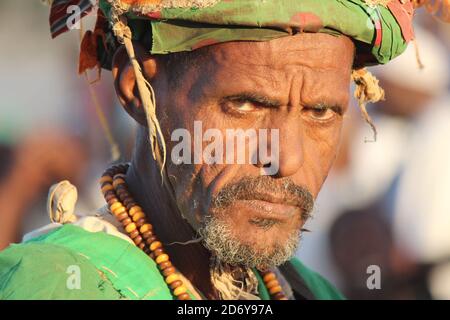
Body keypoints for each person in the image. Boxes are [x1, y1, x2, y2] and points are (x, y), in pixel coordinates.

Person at [0, 0, 440, 300]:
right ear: (138, 90)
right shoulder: (57, 283)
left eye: (321, 112)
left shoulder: (306, 290)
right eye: (245, 105)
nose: (285, 159)